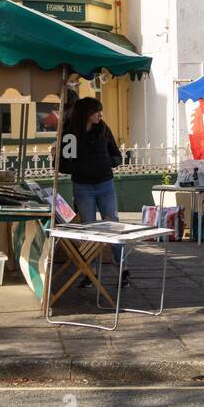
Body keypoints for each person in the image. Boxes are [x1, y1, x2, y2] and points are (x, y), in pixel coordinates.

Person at [60, 97, 127, 285]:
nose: (100, 115)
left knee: (112, 225)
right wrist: (71, 162)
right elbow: (64, 166)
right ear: (86, 113)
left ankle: (123, 268)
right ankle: (90, 273)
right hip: (82, 187)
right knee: (88, 230)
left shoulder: (104, 130)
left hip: (105, 184)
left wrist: (108, 163)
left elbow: (117, 155)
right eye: (96, 111)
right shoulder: (70, 134)